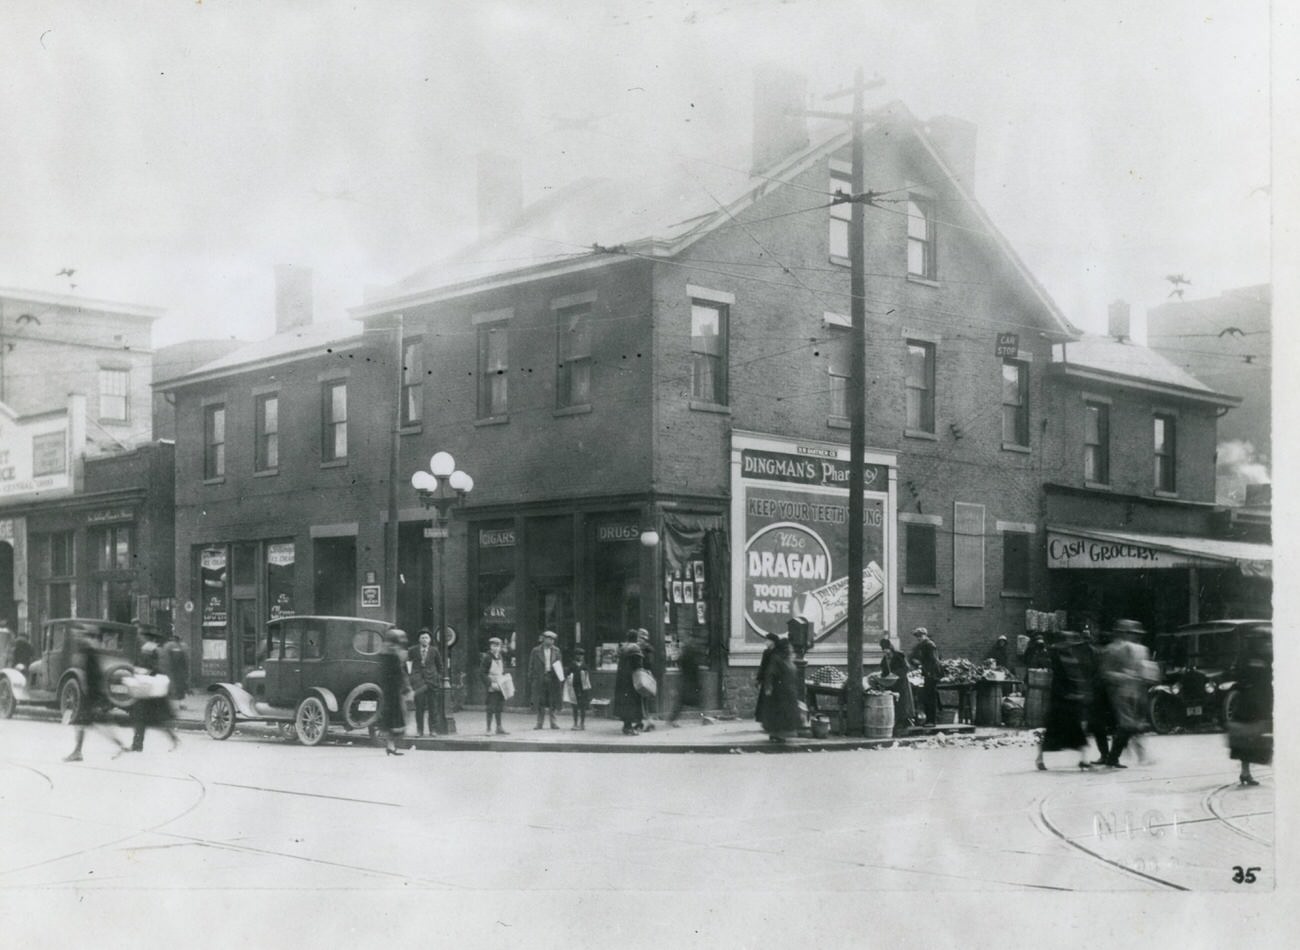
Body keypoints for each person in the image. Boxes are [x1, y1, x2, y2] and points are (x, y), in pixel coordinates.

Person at [64, 637, 128, 762]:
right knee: (98, 725)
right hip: (95, 697)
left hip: (92, 698)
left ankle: (78, 752)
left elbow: (92, 679)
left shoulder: (89, 657)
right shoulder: (92, 655)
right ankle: (120, 745)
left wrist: (92, 699)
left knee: (83, 724)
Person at [1100, 619, 1153, 768]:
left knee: (1132, 725)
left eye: (1136, 634)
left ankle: (1119, 757)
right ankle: (1115, 757)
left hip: (1136, 692)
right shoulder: (1111, 650)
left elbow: (1145, 672)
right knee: (1128, 725)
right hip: (1120, 692)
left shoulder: (1141, 650)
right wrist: (1122, 676)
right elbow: (1105, 673)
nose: (1134, 636)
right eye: (1130, 633)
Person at [1034, 633, 1090, 771]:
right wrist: (1069, 694)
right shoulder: (1058, 658)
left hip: (1070, 701)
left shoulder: (1070, 658)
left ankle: (1083, 759)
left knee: (1077, 732)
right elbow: (1058, 681)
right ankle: (1039, 758)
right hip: (1061, 701)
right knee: (1053, 733)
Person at [1227, 632, 1272, 786]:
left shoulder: (1260, 657)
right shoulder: (1256, 658)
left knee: (1250, 740)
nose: (1267, 645)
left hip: (1256, 703)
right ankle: (1245, 772)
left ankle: (1246, 772)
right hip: (1251, 704)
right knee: (1248, 739)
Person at [125, 637, 179, 754]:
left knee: (143, 720)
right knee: (153, 721)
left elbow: (149, 668)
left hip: (147, 694)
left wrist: (140, 672)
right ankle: (138, 744)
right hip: (149, 694)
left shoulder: (146, 651)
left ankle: (137, 745)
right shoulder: (153, 650)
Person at [759, 631, 801, 743]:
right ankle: (777, 735)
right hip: (780, 692)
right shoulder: (777, 659)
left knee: (784, 713)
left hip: (787, 691)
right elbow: (769, 673)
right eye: (789, 647)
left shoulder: (787, 659)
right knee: (779, 713)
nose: (791, 649)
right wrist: (768, 687)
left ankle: (778, 734)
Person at [377, 629, 410, 755]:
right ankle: (391, 745)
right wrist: (406, 688)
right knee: (396, 719)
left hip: (388, 690)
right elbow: (400, 673)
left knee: (391, 719)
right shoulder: (394, 655)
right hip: (394, 691)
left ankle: (390, 746)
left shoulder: (384, 654)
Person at [528, 630, 564, 730]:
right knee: (541, 701)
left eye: (553, 639)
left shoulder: (556, 650)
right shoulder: (536, 651)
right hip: (540, 678)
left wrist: (560, 677)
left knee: (553, 701)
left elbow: (559, 664)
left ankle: (553, 722)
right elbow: (531, 665)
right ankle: (539, 723)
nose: (551, 641)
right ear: (544, 639)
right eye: (549, 639)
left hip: (552, 678)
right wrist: (531, 678)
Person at [879, 637, 916, 735]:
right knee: (894, 703)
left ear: (890, 648)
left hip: (901, 683)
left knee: (903, 703)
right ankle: (896, 723)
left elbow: (906, 667)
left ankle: (904, 723)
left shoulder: (899, 655)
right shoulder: (885, 659)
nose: (885, 652)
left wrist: (895, 674)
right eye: (883, 650)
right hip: (891, 684)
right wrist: (882, 676)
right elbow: (884, 670)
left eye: (886, 649)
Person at [409, 628, 442, 737]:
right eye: (422, 637)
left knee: (433, 707)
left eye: (426, 638)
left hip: (432, 681)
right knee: (419, 707)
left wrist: (437, 677)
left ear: (430, 640)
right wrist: (412, 677)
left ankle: (433, 730)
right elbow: (407, 665)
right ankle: (420, 730)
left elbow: (439, 665)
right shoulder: (412, 650)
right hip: (418, 683)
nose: (424, 640)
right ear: (419, 639)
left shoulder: (434, 650)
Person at [665, 635, 703, 726]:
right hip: (690, 682)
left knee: (681, 701)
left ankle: (671, 719)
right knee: (695, 700)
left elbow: (681, 665)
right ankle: (702, 717)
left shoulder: (684, 656)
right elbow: (694, 670)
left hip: (685, 681)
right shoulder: (691, 657)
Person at [908, 627, 942, 726]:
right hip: (927, 673)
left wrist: (925, 668)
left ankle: (931, 721)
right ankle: (929, 720)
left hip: (931, 674)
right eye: (917, 636)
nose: (918, 638)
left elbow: (933, 661)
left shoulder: (929, 645)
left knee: (930, 697)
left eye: (920, 636)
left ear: (925, 635)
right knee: (927, 697)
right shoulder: (922, 645)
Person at [613, 632, 645, 735]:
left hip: (622, 680)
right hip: (631, 680)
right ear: (635, 638)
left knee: (624, 703)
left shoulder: (623, 647)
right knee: (632, 703)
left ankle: (626, 725)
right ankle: (628, 727)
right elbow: (638, 665)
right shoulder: (635, 648)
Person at [480, 636, 509, 735]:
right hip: (492, 686)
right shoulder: (487, 658)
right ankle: (488, 728)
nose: (496, 648)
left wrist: (505, 680)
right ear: (490, 647)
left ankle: (499, 727)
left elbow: (502, 670)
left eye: (498, 646)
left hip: (500, 685)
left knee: (499, 707)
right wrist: (490, 684)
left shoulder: (500, 657)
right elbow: (482, 673)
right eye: (494, 646)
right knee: (490, 707)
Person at [161, 634, 189, 708]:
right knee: (180, 687)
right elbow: (185, 660)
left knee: (169, 687)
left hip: (170, 670)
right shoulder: (182, 646)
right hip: (179, 670)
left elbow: (165, 659)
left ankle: (168, 705)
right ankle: (182, 703)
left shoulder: (167, 646)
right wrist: (185, 671)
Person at [566, 649, 591, 730]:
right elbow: (567, 674)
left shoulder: (585, 666)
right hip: (574, 688)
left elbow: (588, 678)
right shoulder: (572, 665)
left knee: (583, 707)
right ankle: (575, 723)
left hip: (583, 689)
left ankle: (582, 723)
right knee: (575, 707)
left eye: (581, 655)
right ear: (575, 656)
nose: (579, 656)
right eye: (578, 655)